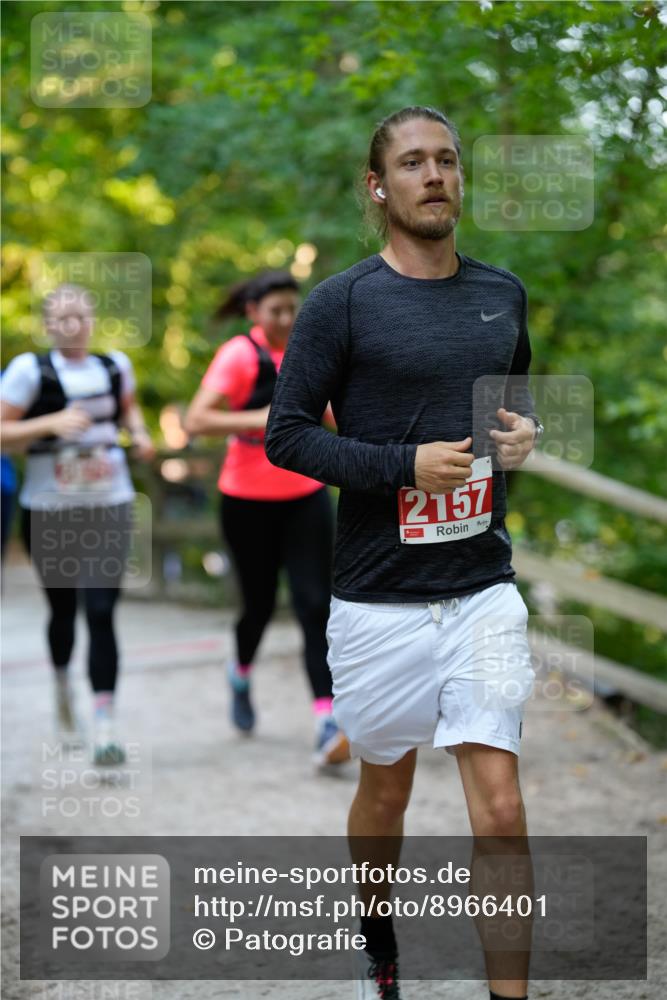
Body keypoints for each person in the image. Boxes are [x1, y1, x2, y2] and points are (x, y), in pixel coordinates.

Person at [266, 107, 540, 1000]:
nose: (435, 175)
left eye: (447, 160)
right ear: (378, 186)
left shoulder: (502, 292)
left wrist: (519, 440)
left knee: (499, 808)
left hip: (480, 589)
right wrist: (400, 468)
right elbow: (288, 438)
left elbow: (509, 409)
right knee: (384, 793)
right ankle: (377, 947)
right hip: (379, 600)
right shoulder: (341, 302)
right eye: (414, 162)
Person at [184, 271, 349, 770]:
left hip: (305, 492)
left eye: (291, 308)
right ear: (254, 312)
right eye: (275, 309)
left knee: (314, 604)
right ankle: (239, 672)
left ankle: (326, 721)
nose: (285, 318)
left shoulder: (310, 350)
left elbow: (334, 421)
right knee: (256, 605)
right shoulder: (239, 355)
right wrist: (262, 419)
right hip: (246, 499)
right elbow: (197, 420)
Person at [0, 283, 154, 764]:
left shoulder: (113, 366)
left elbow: (128, 407)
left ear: (92, 319)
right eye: (61, 318)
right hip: (50, 510)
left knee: (102, 611)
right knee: (64, 611)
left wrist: (142, 433)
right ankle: (63, 685)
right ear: (48, 325)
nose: (72, 325)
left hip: (110, 502)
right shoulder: (30, 372)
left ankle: (105, 725)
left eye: (80, 316)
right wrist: (49, 425)